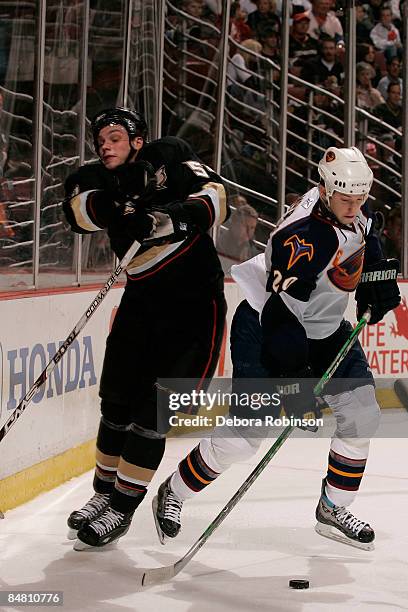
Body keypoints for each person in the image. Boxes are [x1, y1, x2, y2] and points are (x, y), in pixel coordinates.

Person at [152, 146, 401, 550]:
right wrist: (298, 382)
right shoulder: (301, 237)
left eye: (360, 198)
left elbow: (367, 244)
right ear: (325, 190)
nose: (354, 207)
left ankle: (333, 508)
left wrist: (378, 287)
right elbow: (281, 318)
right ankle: (174, 492)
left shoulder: (354, 205)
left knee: (361, 414)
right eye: (346, 199)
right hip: (265, 327)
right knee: (243, 438)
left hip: (321, 326)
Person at [63, 107, 229, 549]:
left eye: (115, 136)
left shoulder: (170, 155)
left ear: (137, 141)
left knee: (152, 414)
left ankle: (123, 507)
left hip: (195, 308)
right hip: (141, 301)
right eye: (100, 138)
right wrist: (120, 206)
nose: (105, 144)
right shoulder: (91, 177)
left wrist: (167, 218)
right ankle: (103, 496)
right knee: (115, 405)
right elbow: (78, 213)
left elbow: (215, 197)